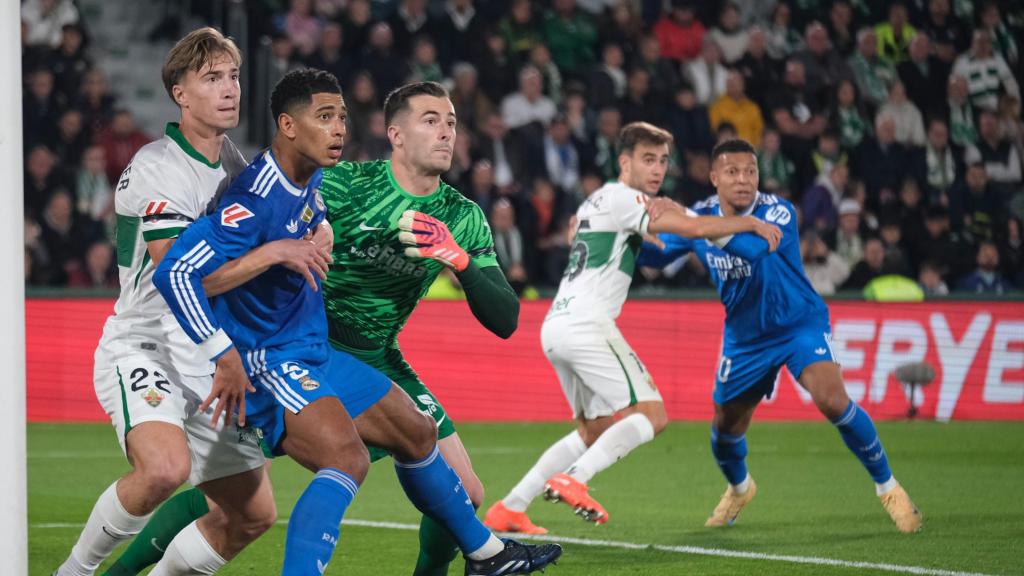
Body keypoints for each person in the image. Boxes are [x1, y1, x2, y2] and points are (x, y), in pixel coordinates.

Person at [152, 74, 562, 576]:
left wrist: (459, 261)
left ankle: (483, 558)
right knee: (237, 490)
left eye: (452, 122)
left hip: (372, 353)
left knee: (451, 472)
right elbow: (199, 263)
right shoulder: (343, 182)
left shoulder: (461, 216)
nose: (446, 132)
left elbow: (505, 320)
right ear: (396, 134)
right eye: (431, 120)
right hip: (296, 345)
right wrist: (226, 342)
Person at [54, 28, 320, 576]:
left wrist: (317, 230)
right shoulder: (159, 167)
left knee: (252, 514)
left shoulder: (237, 166)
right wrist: (273, 251)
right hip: (146, 343)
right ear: (180, 94)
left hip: (209, 353)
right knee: (163, 469)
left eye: (234, 76)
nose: (230, 89)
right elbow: (184, 277)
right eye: (212, 78)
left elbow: (296, 215)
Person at [483, 123, 782, 532]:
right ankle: (575, 478)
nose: (658, 169)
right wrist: (749, 224)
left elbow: (594, 233)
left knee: (594, 430)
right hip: (588, 324)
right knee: (652, 415)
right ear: (624, 163)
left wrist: (662, 214)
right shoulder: (626, 198)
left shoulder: (597, 199)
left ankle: (511, 507)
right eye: (648, 159)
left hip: (557, 323)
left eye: (663, 161)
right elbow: (695, 229)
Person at [638, 139, 922, 533]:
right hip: (745, 339)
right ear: (714, 177)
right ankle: (740, 489)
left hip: (798, 324)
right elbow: (655, 255)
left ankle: (889, 488)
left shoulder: (777, 211)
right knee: (725, 429)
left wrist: (687, 218)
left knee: (832, 399)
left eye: (750, 171)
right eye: (733, 172)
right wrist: (621, 234)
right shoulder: (699, 217)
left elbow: (753, 249)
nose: (743, 180)